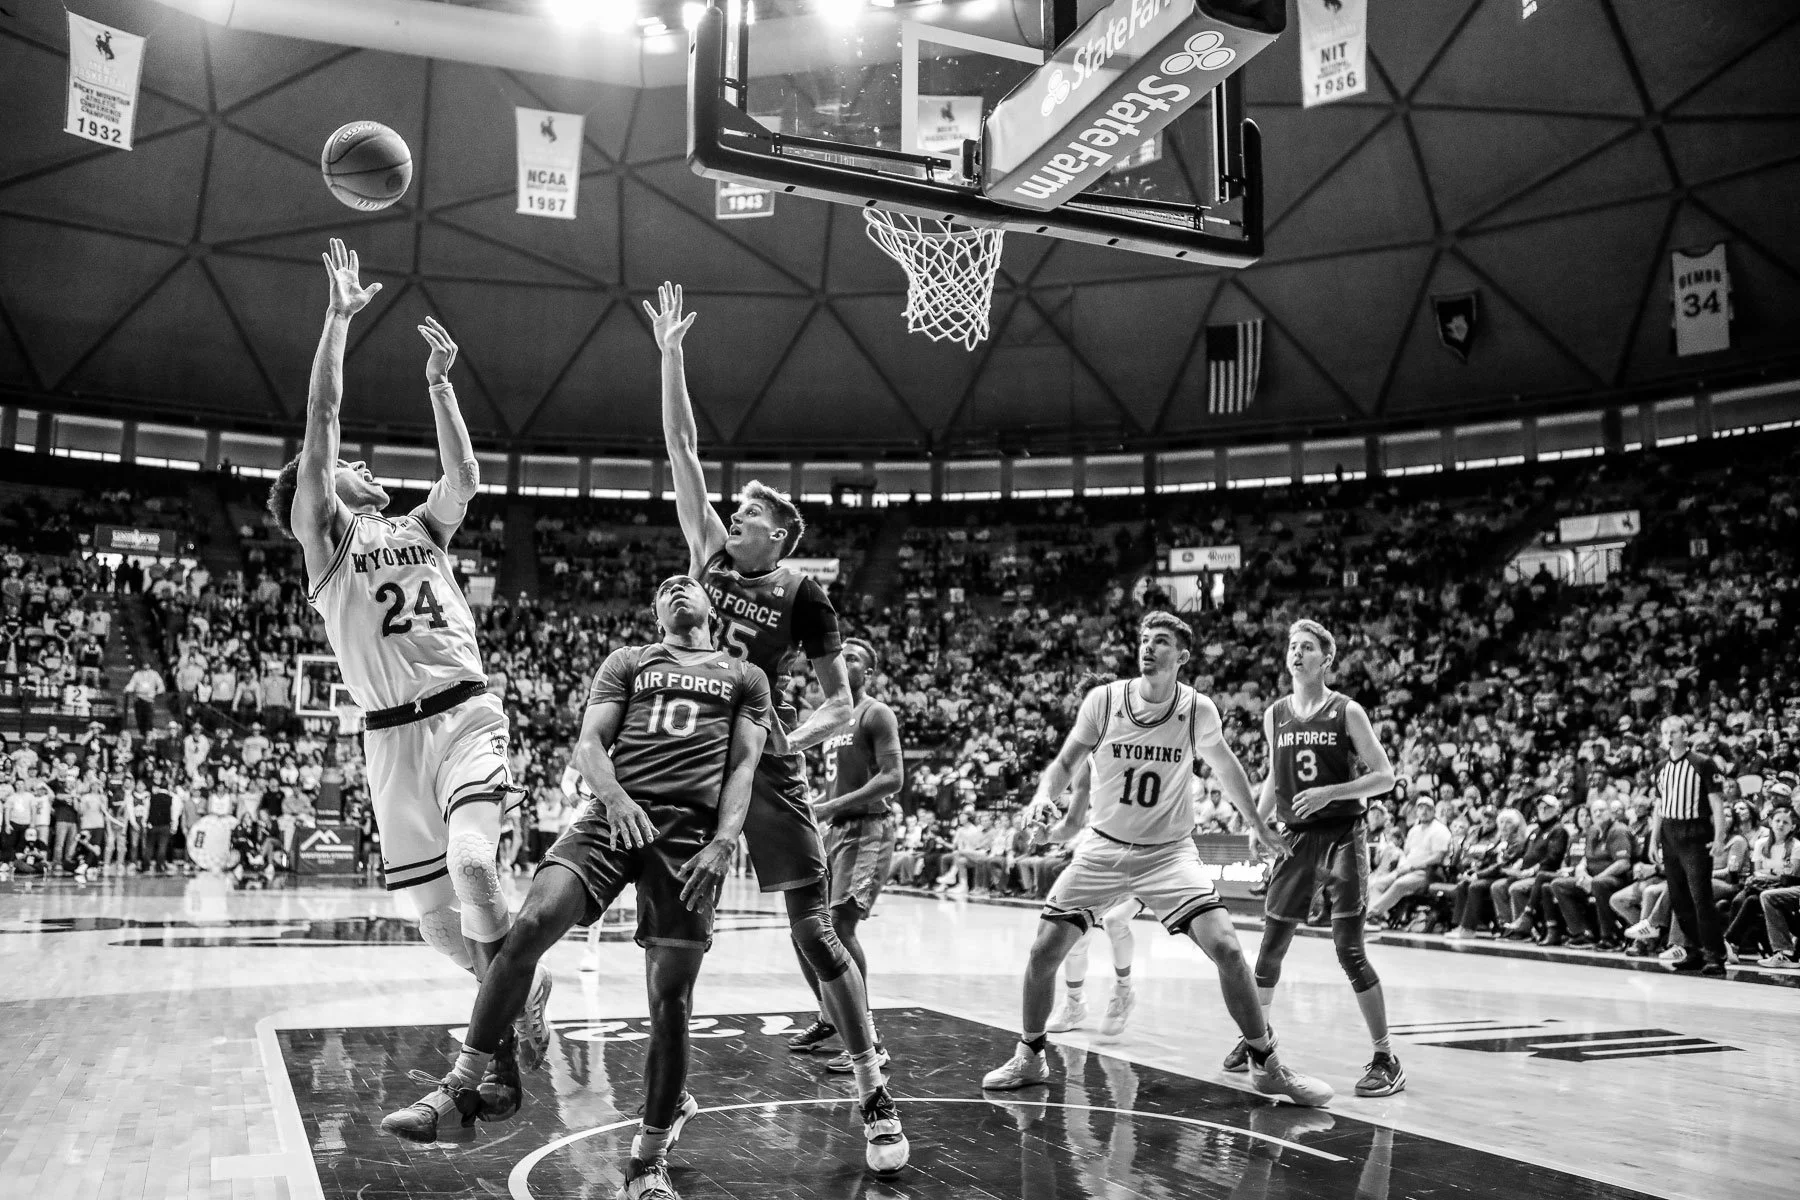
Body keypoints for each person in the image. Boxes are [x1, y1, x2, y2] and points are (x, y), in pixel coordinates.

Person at [382, 576, 770, 1200]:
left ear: (709, 605)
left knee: (670, 1001)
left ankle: (648, 1159)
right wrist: (613, 798)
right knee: (529, 928)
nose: (675, 589)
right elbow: (590, 745)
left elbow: (743, 766)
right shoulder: (630, 661)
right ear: (653, 611)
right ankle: (460, 1088)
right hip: (612, 812)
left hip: (689, 833)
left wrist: (725, 840)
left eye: (686, 583)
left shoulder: (745, 676)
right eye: (664, 587)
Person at [268, 240, 545, 1091]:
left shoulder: (421, 530)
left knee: (471, 869)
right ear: (315, 496)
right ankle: (518, 995)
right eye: (346, 469)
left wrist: (440, 385)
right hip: (389, 741)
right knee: (433, 924)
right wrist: (338, 318)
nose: (358, 466)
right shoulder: (328, 544)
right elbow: (321, 425)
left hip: (463, 712)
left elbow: (463, 476)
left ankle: (493, 1043)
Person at [648, 282, 907, 1172]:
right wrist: (671, 353)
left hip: (760, 763)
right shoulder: (709, 555)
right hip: (683, 758)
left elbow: (839, 697)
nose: (737, 515)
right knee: (677, 941)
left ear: (778, 533)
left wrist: (797, 737)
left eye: (752, 512)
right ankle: (665, 1093)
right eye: (739, 510)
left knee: (813, 929)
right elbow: (682, 445)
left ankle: (872, 1087)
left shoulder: (802, 593)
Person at [980, 612, 1331, 1108]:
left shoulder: (1197, 709)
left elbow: (1228, 769)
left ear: (1182, 657)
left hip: (1168, 855)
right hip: (1103, 848)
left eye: (1161, 642)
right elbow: (1063, 765)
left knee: (1229, 949)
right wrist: (1042, 798)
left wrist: (1255, 823)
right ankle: (1031, 1053)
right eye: (1144, 640)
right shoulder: (1104, 701)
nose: (1148, 648)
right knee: (1043, 952)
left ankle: (1266, 1063)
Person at [1229, 619, 1404, 1099]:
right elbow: (1273, 774)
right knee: (1269, 950)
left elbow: (1385, 776)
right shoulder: (1276, 714)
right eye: (1292, 646)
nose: (1297, 654)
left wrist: (1332, 791)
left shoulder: (1347, 711)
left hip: (1344, 836)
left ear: (1326, 659)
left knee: (1349, 951)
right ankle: (1256, 1038)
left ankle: (1387, 1057)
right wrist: (1257, 821)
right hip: (1294, 839)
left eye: (1307, 647)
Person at [793, 637, 904, 1073]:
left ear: (869, 672)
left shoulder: (876, 713)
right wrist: (816, 805)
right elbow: (839, 786)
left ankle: (870, 1039)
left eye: (852, 658)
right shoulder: (830, 719)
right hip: (837, 831)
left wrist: (830, 806)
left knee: (838, 926)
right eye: (838, 657)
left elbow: (893, 778)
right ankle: (830, 1015)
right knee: (805, 931)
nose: (842, 663)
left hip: (868, 830)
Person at [1652, 718, 1728, 976]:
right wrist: (1654, 839)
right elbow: (1659, 807)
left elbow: (1717, 803)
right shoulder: (1660, 767)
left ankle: (1715, 954)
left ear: (1685, 734)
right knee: (1679, 898)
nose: (1668, 736)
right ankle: (1693, 950)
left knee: (1700, 897)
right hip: (1670, 835)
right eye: (1664, 732)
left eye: (1673, 731)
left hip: (1695, 833)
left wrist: (1719, 838)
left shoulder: (1702, 763)